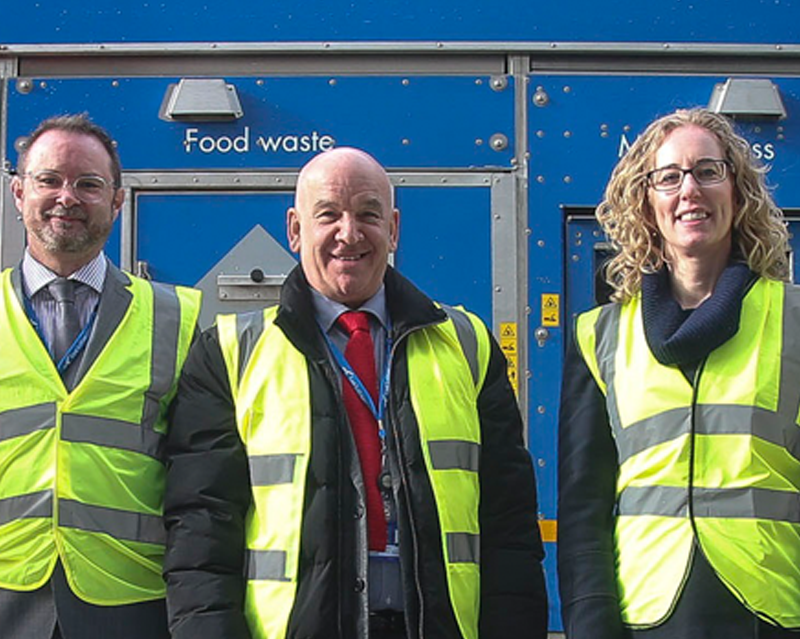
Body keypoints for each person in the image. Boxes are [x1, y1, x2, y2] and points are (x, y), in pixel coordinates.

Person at [164, 146, 548, 639]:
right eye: (328, 215)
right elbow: (201, 530)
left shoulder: (467, 344)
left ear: (394, 228)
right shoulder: (229, 354)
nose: (350, 233)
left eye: (368, 214)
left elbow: (508, 524)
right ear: (295, 229)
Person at [558, 107, 800, 639]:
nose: (689, 190)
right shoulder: (598, 335)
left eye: (708, 171)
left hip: (772, 610)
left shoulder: (793, 320)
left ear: (737, 191)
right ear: (646, 202)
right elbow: (584, 509)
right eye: (669, 177)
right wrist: (592, 624)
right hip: (645, 613)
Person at [0, 114, 201, 639]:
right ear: (19, 193)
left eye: (88, 184)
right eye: (49, 180)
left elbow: (204, 489)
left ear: (117, 201)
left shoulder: (178, 319)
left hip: (133, 606)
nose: (67, 196)